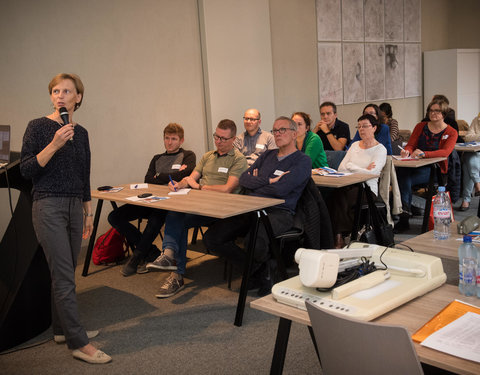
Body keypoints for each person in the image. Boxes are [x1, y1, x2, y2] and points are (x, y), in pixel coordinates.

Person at [20, 74, 111, 364]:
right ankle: (78, 342)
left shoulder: (81, 132)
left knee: (64, 274)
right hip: (47, 205)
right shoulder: (37, 127)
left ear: (78, 98)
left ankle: (60, 330)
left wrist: (86, 212)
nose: (60, 95)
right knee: (62, 276)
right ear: (51, 96)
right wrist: (55, 144)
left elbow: (84, 174)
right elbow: (26, 169)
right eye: (55, 90)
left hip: (75, 206)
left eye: (67, 91)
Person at [204, 116, 311, 296]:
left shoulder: (302, 160)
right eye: (275, 130)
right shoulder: (268, 155)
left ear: (294, 134)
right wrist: (267, 180)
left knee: (256, 236)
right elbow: (244, 179)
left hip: (280, 211)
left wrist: (257, 181)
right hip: (251, 207)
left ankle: (260, 272)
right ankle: (257, 269)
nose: (277, 134)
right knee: (213, 238)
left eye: (282, 130)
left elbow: (282, 189)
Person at [146, 119, 248, 297]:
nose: (218, 141)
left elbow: (227, 189)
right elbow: (191, 178)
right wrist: (180, 184)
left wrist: (199, 187)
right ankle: (172, 263)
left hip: (224, 211)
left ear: (233, 139)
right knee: (175, 214)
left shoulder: (239, 160)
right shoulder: (208, 156)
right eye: (216, 137)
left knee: (179, 219)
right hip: (203, 205)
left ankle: (172, 263)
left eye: (223, 138)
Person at [108, 123, 196, 276]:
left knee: (156, 218)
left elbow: (186, 175)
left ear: (181, 140)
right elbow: (148, 179)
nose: (169, 142)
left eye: (174, 139)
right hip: (152, 199)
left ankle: (136, 258)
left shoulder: (188, 155)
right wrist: (168, 177)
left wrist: (159, 176)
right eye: (167, 138)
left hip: (171, 203)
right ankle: (151, 252)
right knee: (114, 217)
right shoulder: (157, 158)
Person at [395, 99, 458, 231]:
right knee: (401, 173)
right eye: (431, 110)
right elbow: (411, 144)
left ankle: (404, 215)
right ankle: (405, 211)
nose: (433, 113)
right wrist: (407, 151)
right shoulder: (420, 126)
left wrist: (425, 154)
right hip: (415, 165)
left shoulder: (451, 132)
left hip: (435, 169)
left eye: (437, 111)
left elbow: (445, 152)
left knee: (404, 178)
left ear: (444, 113)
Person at [329, 114, 387, 248]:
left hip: (367, 189)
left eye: (365, 126)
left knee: (340, 197)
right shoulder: (355, 145)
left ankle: (339, 237)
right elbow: (341, 167)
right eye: (359, 127)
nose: (361, 129)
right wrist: (362, 169)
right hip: (347, 184)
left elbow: (372, 173)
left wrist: (352, 166)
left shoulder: (380, 149)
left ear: (374, 128)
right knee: (333, 196)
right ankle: (341, 235)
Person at [459, 113, 480, 211]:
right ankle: (477, 184)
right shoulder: (477, 119)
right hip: (475, 153)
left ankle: (466, 199)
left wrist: (476, 136)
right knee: (469, 157)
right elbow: (467, 138)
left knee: (468, 164)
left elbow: (472, 137)